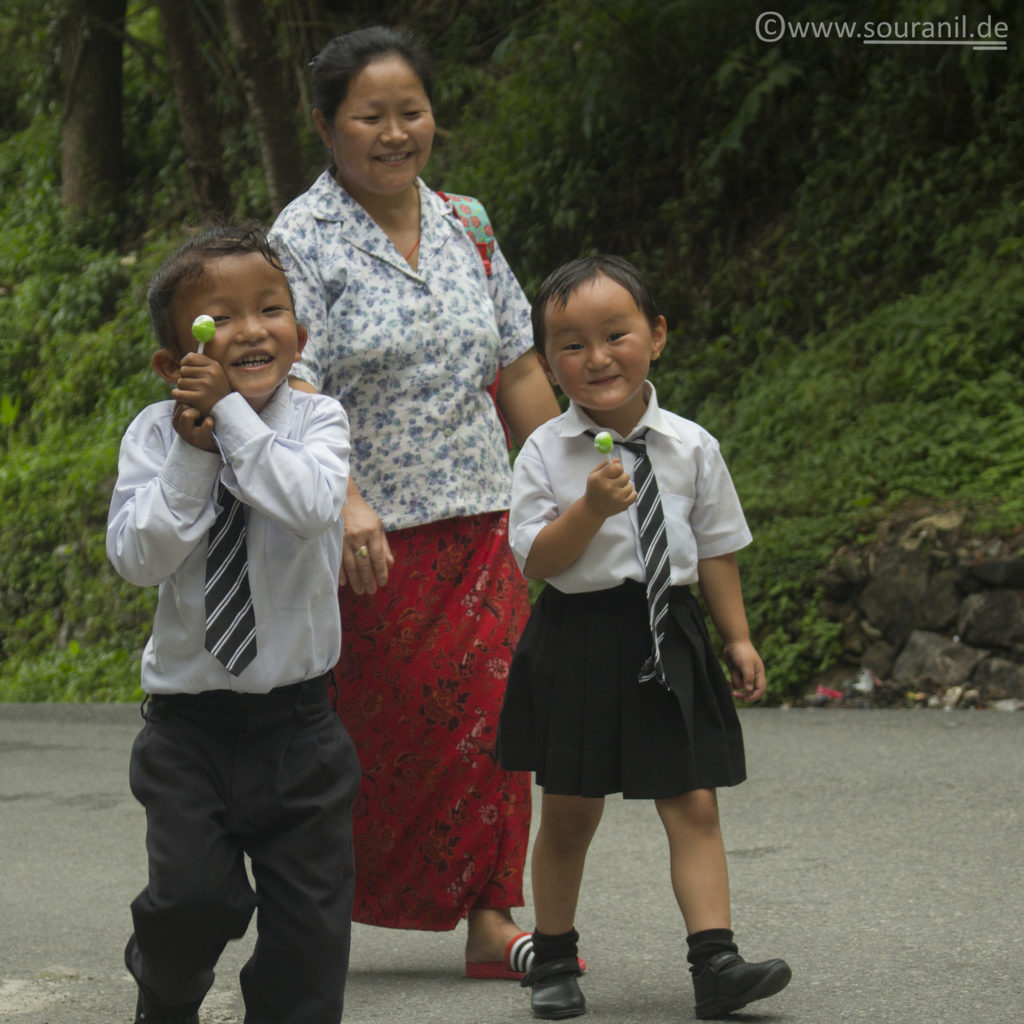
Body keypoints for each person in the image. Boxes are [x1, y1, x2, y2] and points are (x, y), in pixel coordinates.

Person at [269, 26, 561, 977]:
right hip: (371, 539)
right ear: (326, 125)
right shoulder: (300, 238)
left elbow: (516, 363)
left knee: (492, 716)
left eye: (412, 112)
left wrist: (568, 481)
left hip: (485, 523)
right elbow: (290, 379)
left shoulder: (468, 223)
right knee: (383, 737)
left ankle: (490, 916)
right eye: (371, 116)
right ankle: (322, 904)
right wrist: (344, 498)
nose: (395, 133)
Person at [498, 255, 791, 1020]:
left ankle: (715, 962)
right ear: (549, 363)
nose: (596, 358)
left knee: (693, 802)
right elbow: (537, 560)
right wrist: (589, 510)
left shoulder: (692, 445)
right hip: (578, 637)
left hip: (669, 630)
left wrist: (738, 637)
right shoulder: (544, 453)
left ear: (656, 336)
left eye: (616, 334)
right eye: (570, 344)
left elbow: (716, 546)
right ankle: (553, 960)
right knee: (569, 810)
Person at [106, 225, 360, 1024]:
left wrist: (235, 426)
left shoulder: (318, 421)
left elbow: (312, 505)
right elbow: (139, 557)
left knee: (308, 944)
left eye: (270, 309)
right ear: (171, 361)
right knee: (192, 903)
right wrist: (193, 454)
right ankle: (165, 986)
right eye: (219, 321)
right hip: (189, 732)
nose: (251, 330)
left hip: (299, 729)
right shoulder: (152, 435)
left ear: (301, 333)